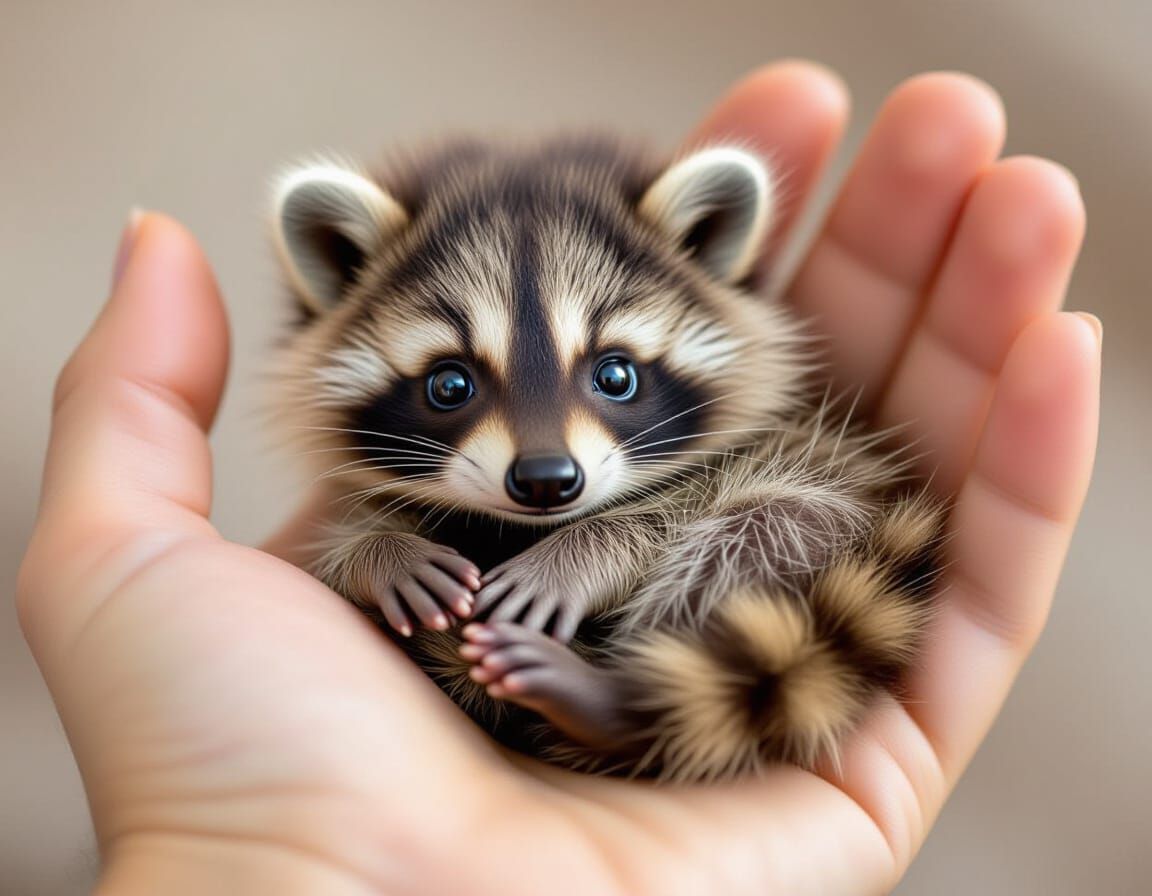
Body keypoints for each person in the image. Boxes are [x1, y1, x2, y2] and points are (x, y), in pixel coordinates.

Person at [17, 61, 1099, 894]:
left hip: (708, 613)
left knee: (805, 509)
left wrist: (599, 549)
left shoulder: (703, 449)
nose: (548, 453)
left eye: (614, 373)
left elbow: (726, 511)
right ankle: (613, 708)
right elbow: (352, 546)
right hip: (511, 716)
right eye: (451, 386)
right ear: (342, 274)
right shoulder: (389, 488)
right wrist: (380, 557)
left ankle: (623, 705)